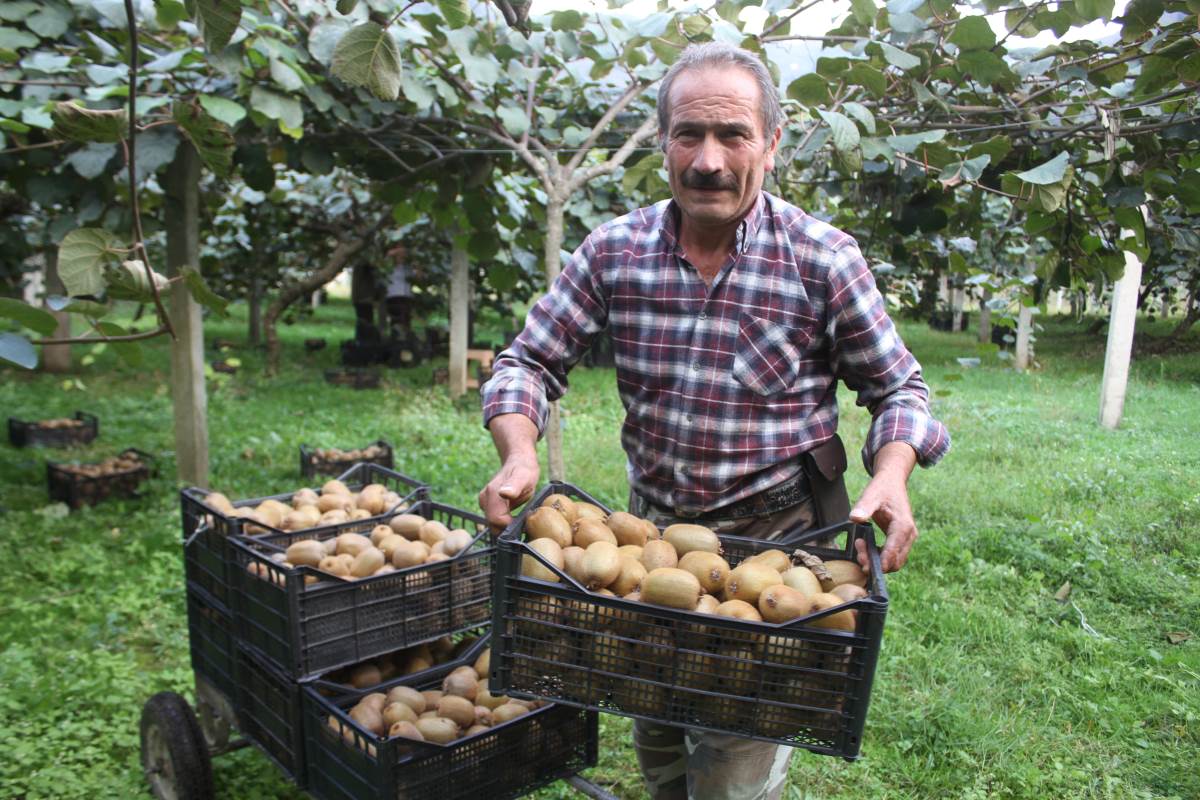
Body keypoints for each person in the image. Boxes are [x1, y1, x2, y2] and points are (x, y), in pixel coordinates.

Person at [478, 42, 950, 800]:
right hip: (647, 547)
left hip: (776, 551)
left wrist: (892, 475)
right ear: (662, 140)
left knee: (730, 771)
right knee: (658, 734)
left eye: (733, 135)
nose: (708, 160)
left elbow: (899, 391)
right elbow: (526, 363)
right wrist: (518, 450)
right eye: (688, 134)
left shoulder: (821, 259)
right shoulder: (614, 252)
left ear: (770, 142)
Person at [384, 244, 414, 341]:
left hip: (406, 297)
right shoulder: (390, 266)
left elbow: (417, 276)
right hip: (394, 296)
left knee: (406, 320)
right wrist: (397, 251)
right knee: (396, 320)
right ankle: (396, 341)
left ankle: (405, 342)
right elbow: (386, 259)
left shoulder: (407, 267)